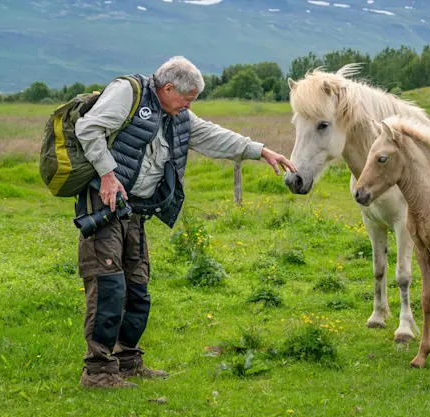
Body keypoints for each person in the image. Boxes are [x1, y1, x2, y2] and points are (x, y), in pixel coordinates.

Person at [73, 56, 296, 388]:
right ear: (168, 88)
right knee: (108, 285)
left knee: (137, 286)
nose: (190, 106)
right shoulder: (127, 94)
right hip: (105, 200)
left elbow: (212, 136)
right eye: (187, 99)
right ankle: (98, 372)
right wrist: (107, 175)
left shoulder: (175, 115)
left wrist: (260, 151)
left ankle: (127, 361)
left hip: (134, 208)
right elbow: (87, 128)